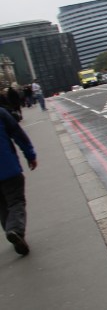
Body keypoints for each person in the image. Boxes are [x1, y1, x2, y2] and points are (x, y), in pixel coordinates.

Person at [0, 106, 37, 255]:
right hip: (7, 167)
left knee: (2, 205)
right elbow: (18, 134)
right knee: (16, 201)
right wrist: (30, 155)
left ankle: (15, 236)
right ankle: (15, 230)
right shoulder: (1, 112)